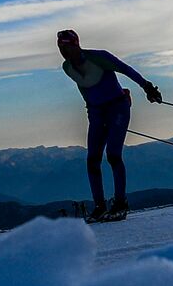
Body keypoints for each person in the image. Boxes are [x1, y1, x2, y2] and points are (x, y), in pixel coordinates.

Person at [57, 29, 162, 222]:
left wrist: (147, 87)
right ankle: (100, 206)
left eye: (66, 46)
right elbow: (85, 88)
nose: (64, 51)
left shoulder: (98, 57)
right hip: (97, 113)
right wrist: (92, 112)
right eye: (60, 47)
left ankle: (120, 203)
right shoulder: (67, 67)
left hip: (117, 107)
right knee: (92, 160)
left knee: (113, 155)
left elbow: (126, 69)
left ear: (76, 44)